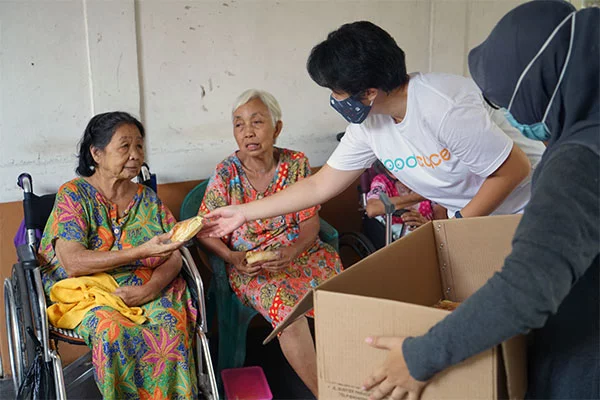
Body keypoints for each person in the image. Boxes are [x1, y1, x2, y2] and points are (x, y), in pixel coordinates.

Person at [360, 2, 599, 399]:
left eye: (510, 106)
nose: (514, 120)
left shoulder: (578, 160)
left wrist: (420, 356)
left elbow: (527, 289)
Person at [199, 20, 548, 245]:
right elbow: (321, 185)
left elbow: (513, 170)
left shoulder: (444, 108)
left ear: (368, 92)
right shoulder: (369, 123)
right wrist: (244, 212)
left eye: (336, 91)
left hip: (537, 209)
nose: (333, 99)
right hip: (481, 224)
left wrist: (454, 227)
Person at [39, 112, 198, 399]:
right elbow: (73, 263)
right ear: (97, 153)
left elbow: (174, 254)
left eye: (139, 146)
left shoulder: (147, 198)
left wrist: (150, 289)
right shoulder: (74, 196)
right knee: (112, 330)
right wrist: (140, 251)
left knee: (171, 324)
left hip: (147, 286)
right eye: (125, 146)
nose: (135, 155)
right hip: (89, 293)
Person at [197, 89, 343, 396]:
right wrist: (231, 258)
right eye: (239, 124)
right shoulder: (227, 173)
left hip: (302, 254)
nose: (247, 132)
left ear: (276, 128)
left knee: (343, 296)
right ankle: (326, 393)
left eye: (257, 122)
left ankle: (352, 376)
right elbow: (205, 230)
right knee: (287, 310)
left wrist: (291, 252)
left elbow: (310, 221)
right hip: (253, 266)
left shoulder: (296, 163)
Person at [365, 161, 447, 240]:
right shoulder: (383, 182)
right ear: (391, 172)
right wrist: (424, 195)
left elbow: (442, 226)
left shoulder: (429, 181)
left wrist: (425, 225)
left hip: (428, 236)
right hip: (396, 241)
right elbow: (372, 209)